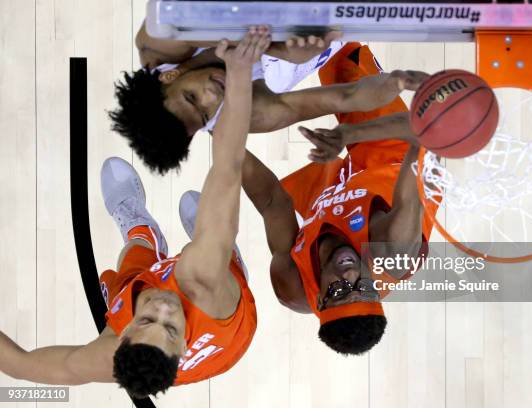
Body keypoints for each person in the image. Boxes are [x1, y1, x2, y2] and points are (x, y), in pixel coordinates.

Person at [0, 27, 268, 398]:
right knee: (213, 239)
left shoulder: (107, 355)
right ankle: (228, 256)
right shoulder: (201, 280)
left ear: (124, 334)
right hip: (229, 332)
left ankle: (142, 229)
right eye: (171, 327)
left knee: (134, 261)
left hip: (158, 330)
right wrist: (239, 76)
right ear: (182, 350)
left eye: (147, 319)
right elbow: (228, 164)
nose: (162, 307)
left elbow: (20, 364)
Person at [237, 42, 439, 355]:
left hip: (334, 198)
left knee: (243, 122)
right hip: (398, 163)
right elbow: (419, 132)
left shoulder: (292, 286)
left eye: (340, 290)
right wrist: (348, 136)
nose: (350, 274)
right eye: (363, 287)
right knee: (345, 60)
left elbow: (272, 202)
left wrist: (221, 134)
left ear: (319, 300)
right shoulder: (395, 252)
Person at [109, 26, 428, 175]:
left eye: (192, 97)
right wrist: (400, 81)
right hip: (329, 26)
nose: (212, 96)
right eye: (206, 114)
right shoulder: (252, 115)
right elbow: (346, 97)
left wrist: (280, 48)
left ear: (168, 76)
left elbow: (242, 27)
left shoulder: (159, 42)